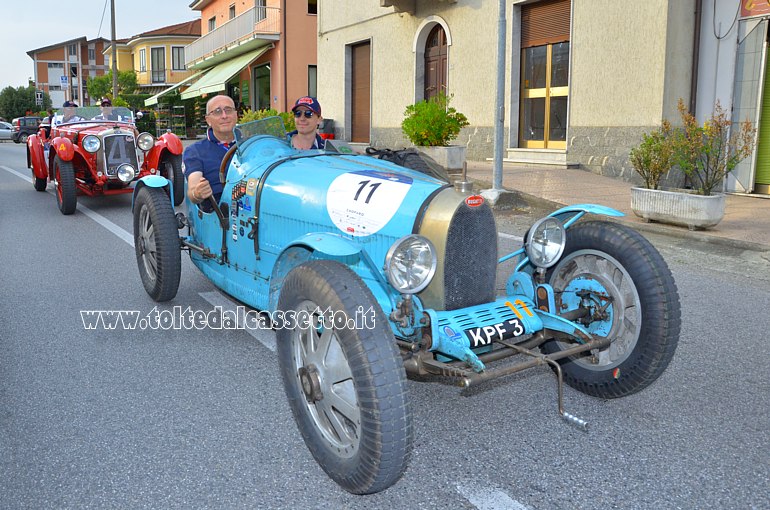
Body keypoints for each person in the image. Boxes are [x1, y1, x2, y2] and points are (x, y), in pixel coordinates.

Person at [183, 95, 238, 210]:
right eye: (217, 112)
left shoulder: (251, 143)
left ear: (236, 115)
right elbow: (193, 189)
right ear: (208, 120)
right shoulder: (195, 151)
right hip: (219, 213)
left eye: (228, 110)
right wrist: (198, 193)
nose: (224, 116)